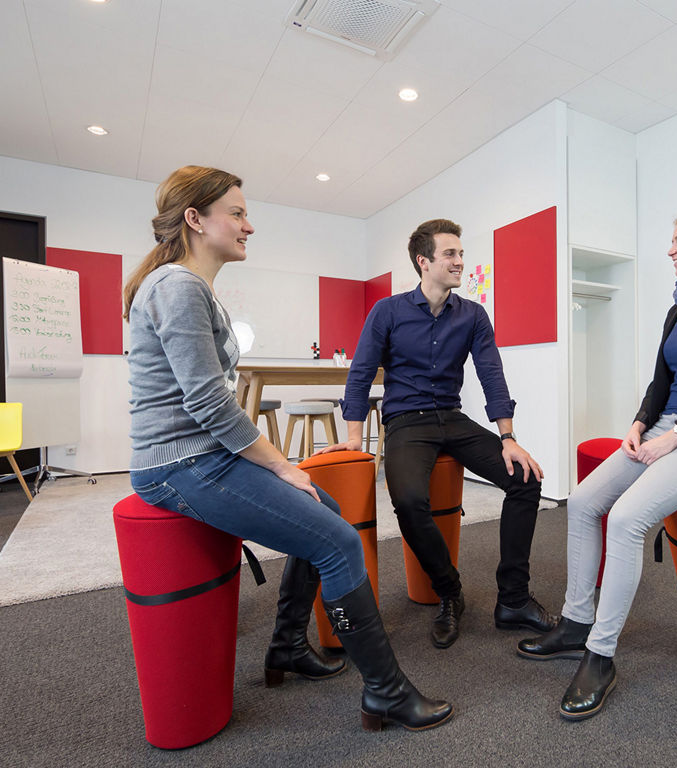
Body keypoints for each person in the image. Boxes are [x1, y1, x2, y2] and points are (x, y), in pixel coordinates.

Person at [123, 166, 453, 732]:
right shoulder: (177, 286)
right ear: (195, 220)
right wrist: (280, 465)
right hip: (178, 464)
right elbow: (207, 403)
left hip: (202, 456)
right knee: (340, 541)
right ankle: (386, 691)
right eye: (237, 213)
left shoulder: (188, 286)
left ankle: (286, 646)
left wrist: (283, 471)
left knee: (320, 508)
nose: (249, 225)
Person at [518, 206, 677, 720]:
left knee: (629, 521)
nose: (670, 250)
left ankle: (601, 656)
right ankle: (575, 623)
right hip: (661, 429)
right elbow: (661, 380)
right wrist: (638, 424)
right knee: (584, 500)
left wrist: (673, 436)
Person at [321, 218, 556, 649]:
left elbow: (492, 376)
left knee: (526, 479)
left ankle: (514, 599)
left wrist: (507, 437)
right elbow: (359, 375)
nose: (460, 261)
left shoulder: (472, 315)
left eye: (461, 254)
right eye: (450, 254)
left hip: (452, 416)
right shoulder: (387, 311)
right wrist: (355, 437)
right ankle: (450, 591)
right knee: (408, 500)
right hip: (406, 421)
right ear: (423, 261)